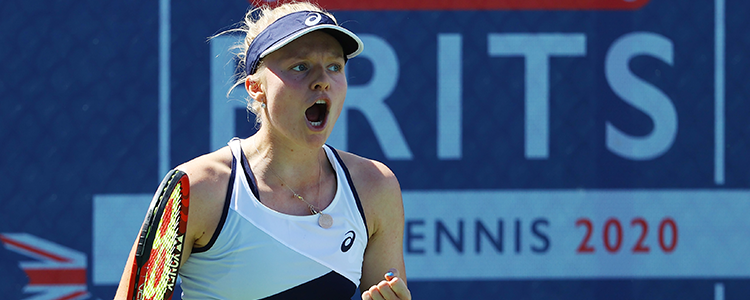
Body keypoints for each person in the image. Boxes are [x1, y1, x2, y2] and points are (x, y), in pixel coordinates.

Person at [115, 1, 412, 299]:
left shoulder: (374, 187)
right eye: (300, 66)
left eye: (334, 66)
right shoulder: (199, 188)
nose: (322, 81)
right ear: (255, 87)